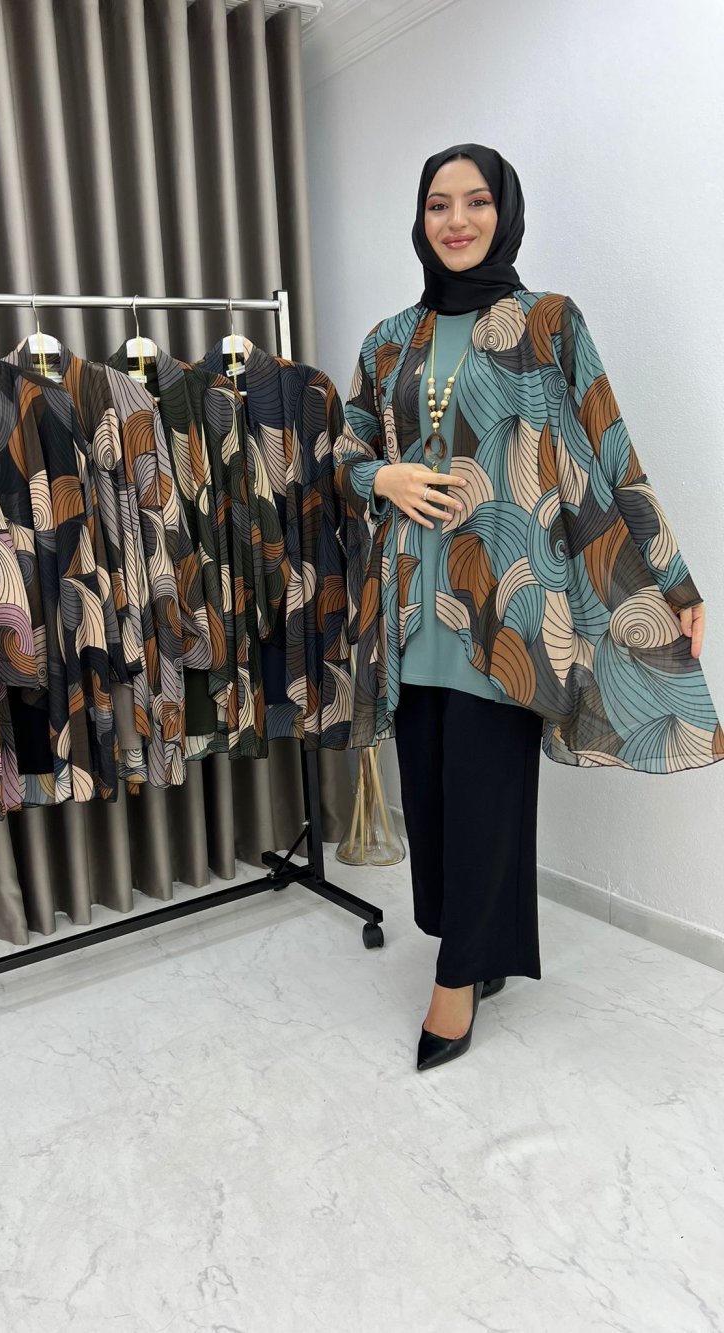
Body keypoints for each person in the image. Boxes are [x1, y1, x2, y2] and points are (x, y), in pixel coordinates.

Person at [335, 143, 720, 1071]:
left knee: (485, 794)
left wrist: (673, 580)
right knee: (434, 799)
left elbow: (609, 443)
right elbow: (343, 446)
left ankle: (455, 980)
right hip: (410, 610)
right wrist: (381, 475)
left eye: (475, 202)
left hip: (507, 608)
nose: (456, 220)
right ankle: (486, 947)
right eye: (438, 204)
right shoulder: (390, 339)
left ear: (504, 213)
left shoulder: (547, 322)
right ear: (420, 219)